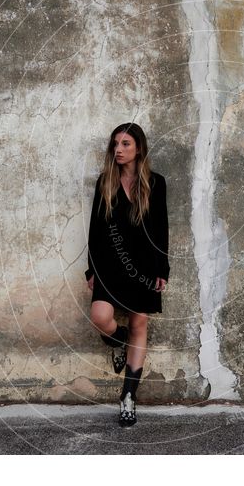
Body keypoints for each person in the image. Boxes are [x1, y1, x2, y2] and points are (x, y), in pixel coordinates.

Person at [85, 122, 170, 427]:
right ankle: (118, 340)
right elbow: (95, 230)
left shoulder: (155, 183)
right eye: (115, 144)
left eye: (125, 145)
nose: (118, 150)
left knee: (139, 323)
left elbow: (161, 229)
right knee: (100, 317)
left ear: (138, 149)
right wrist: (91, 270)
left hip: (145, 264)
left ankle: (128, 397)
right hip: (109, 265)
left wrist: (162, 268)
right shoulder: (104, 182)